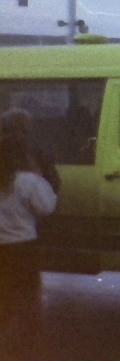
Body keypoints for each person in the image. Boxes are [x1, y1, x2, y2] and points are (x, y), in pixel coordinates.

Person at [0, 129, 59, 328]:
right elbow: (47, 208)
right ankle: (28, 336)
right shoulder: (28, 180)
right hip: (23, 247)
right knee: (28, 296)